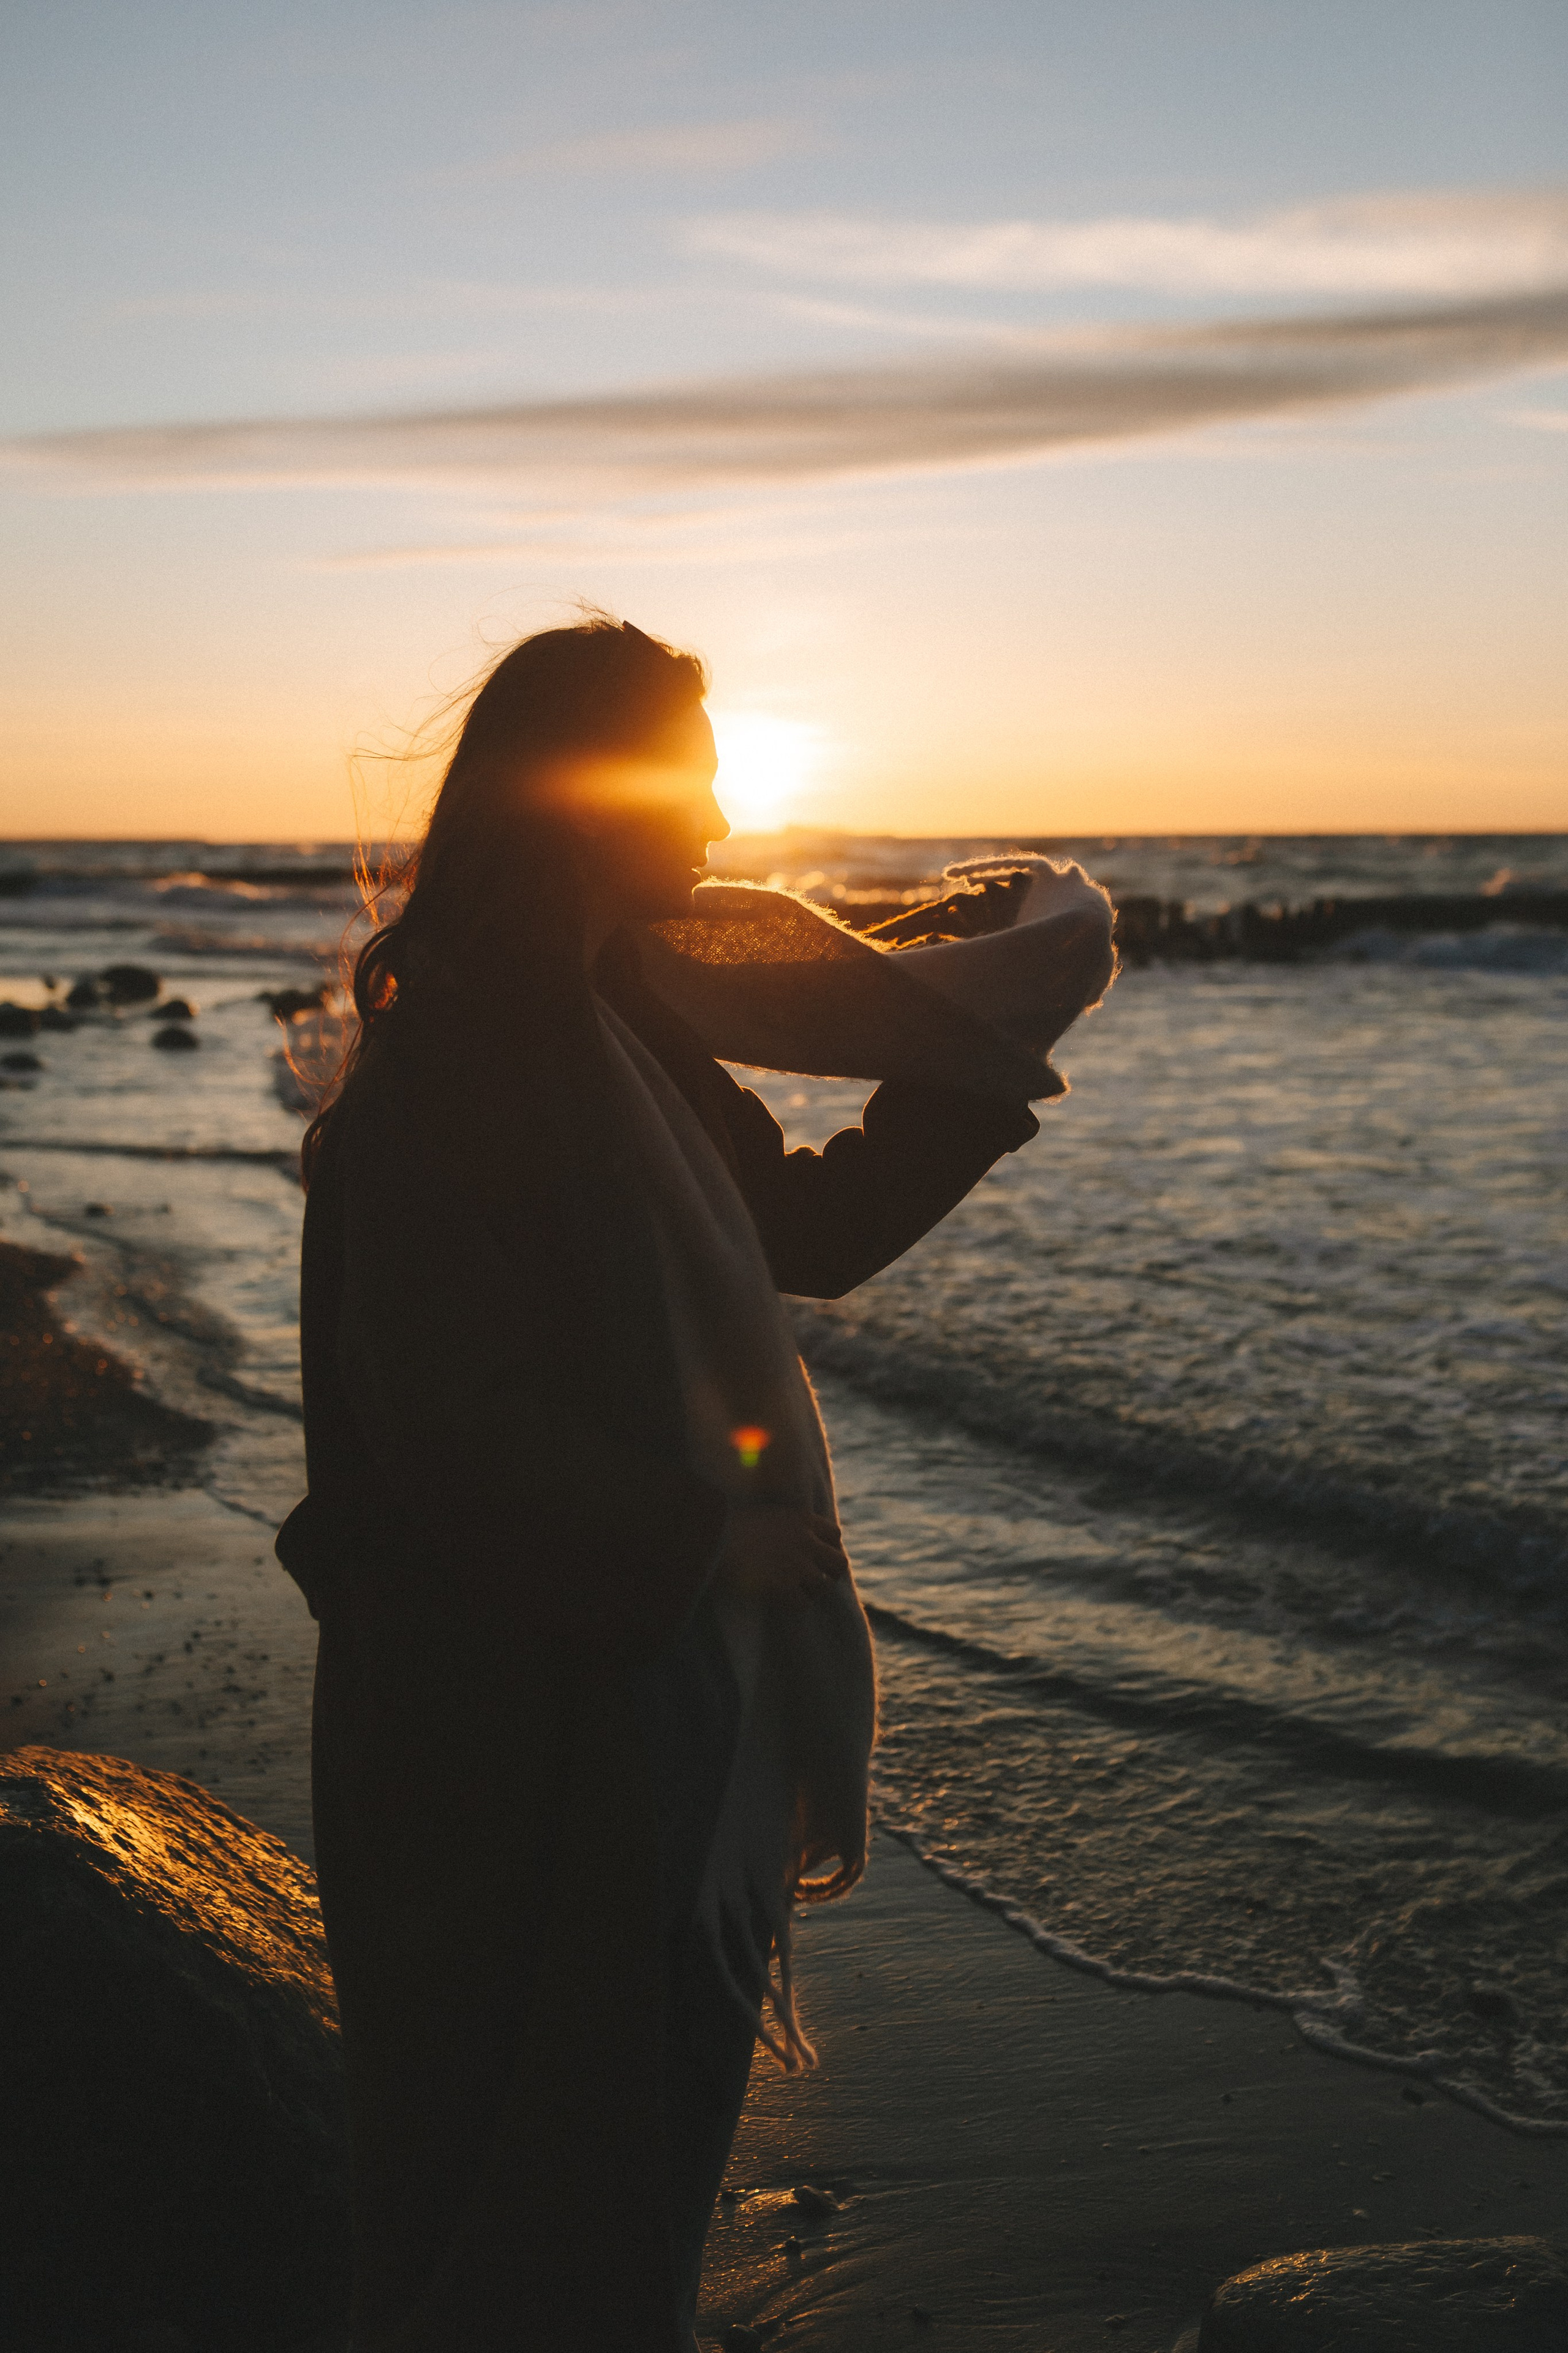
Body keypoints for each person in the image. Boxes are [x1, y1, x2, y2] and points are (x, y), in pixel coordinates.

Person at [278, 617, 1048, 2352]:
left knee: (597, 2183)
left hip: (617, 1708)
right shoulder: (457, 1068)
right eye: (687, 762)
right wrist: (715, 1535)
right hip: (481, 1740)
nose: (717, 798)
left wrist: (984, 1049)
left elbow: (809, 1227)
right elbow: (450, 1430)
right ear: (582, 790)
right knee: (500, 2200)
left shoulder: (613, 1025)